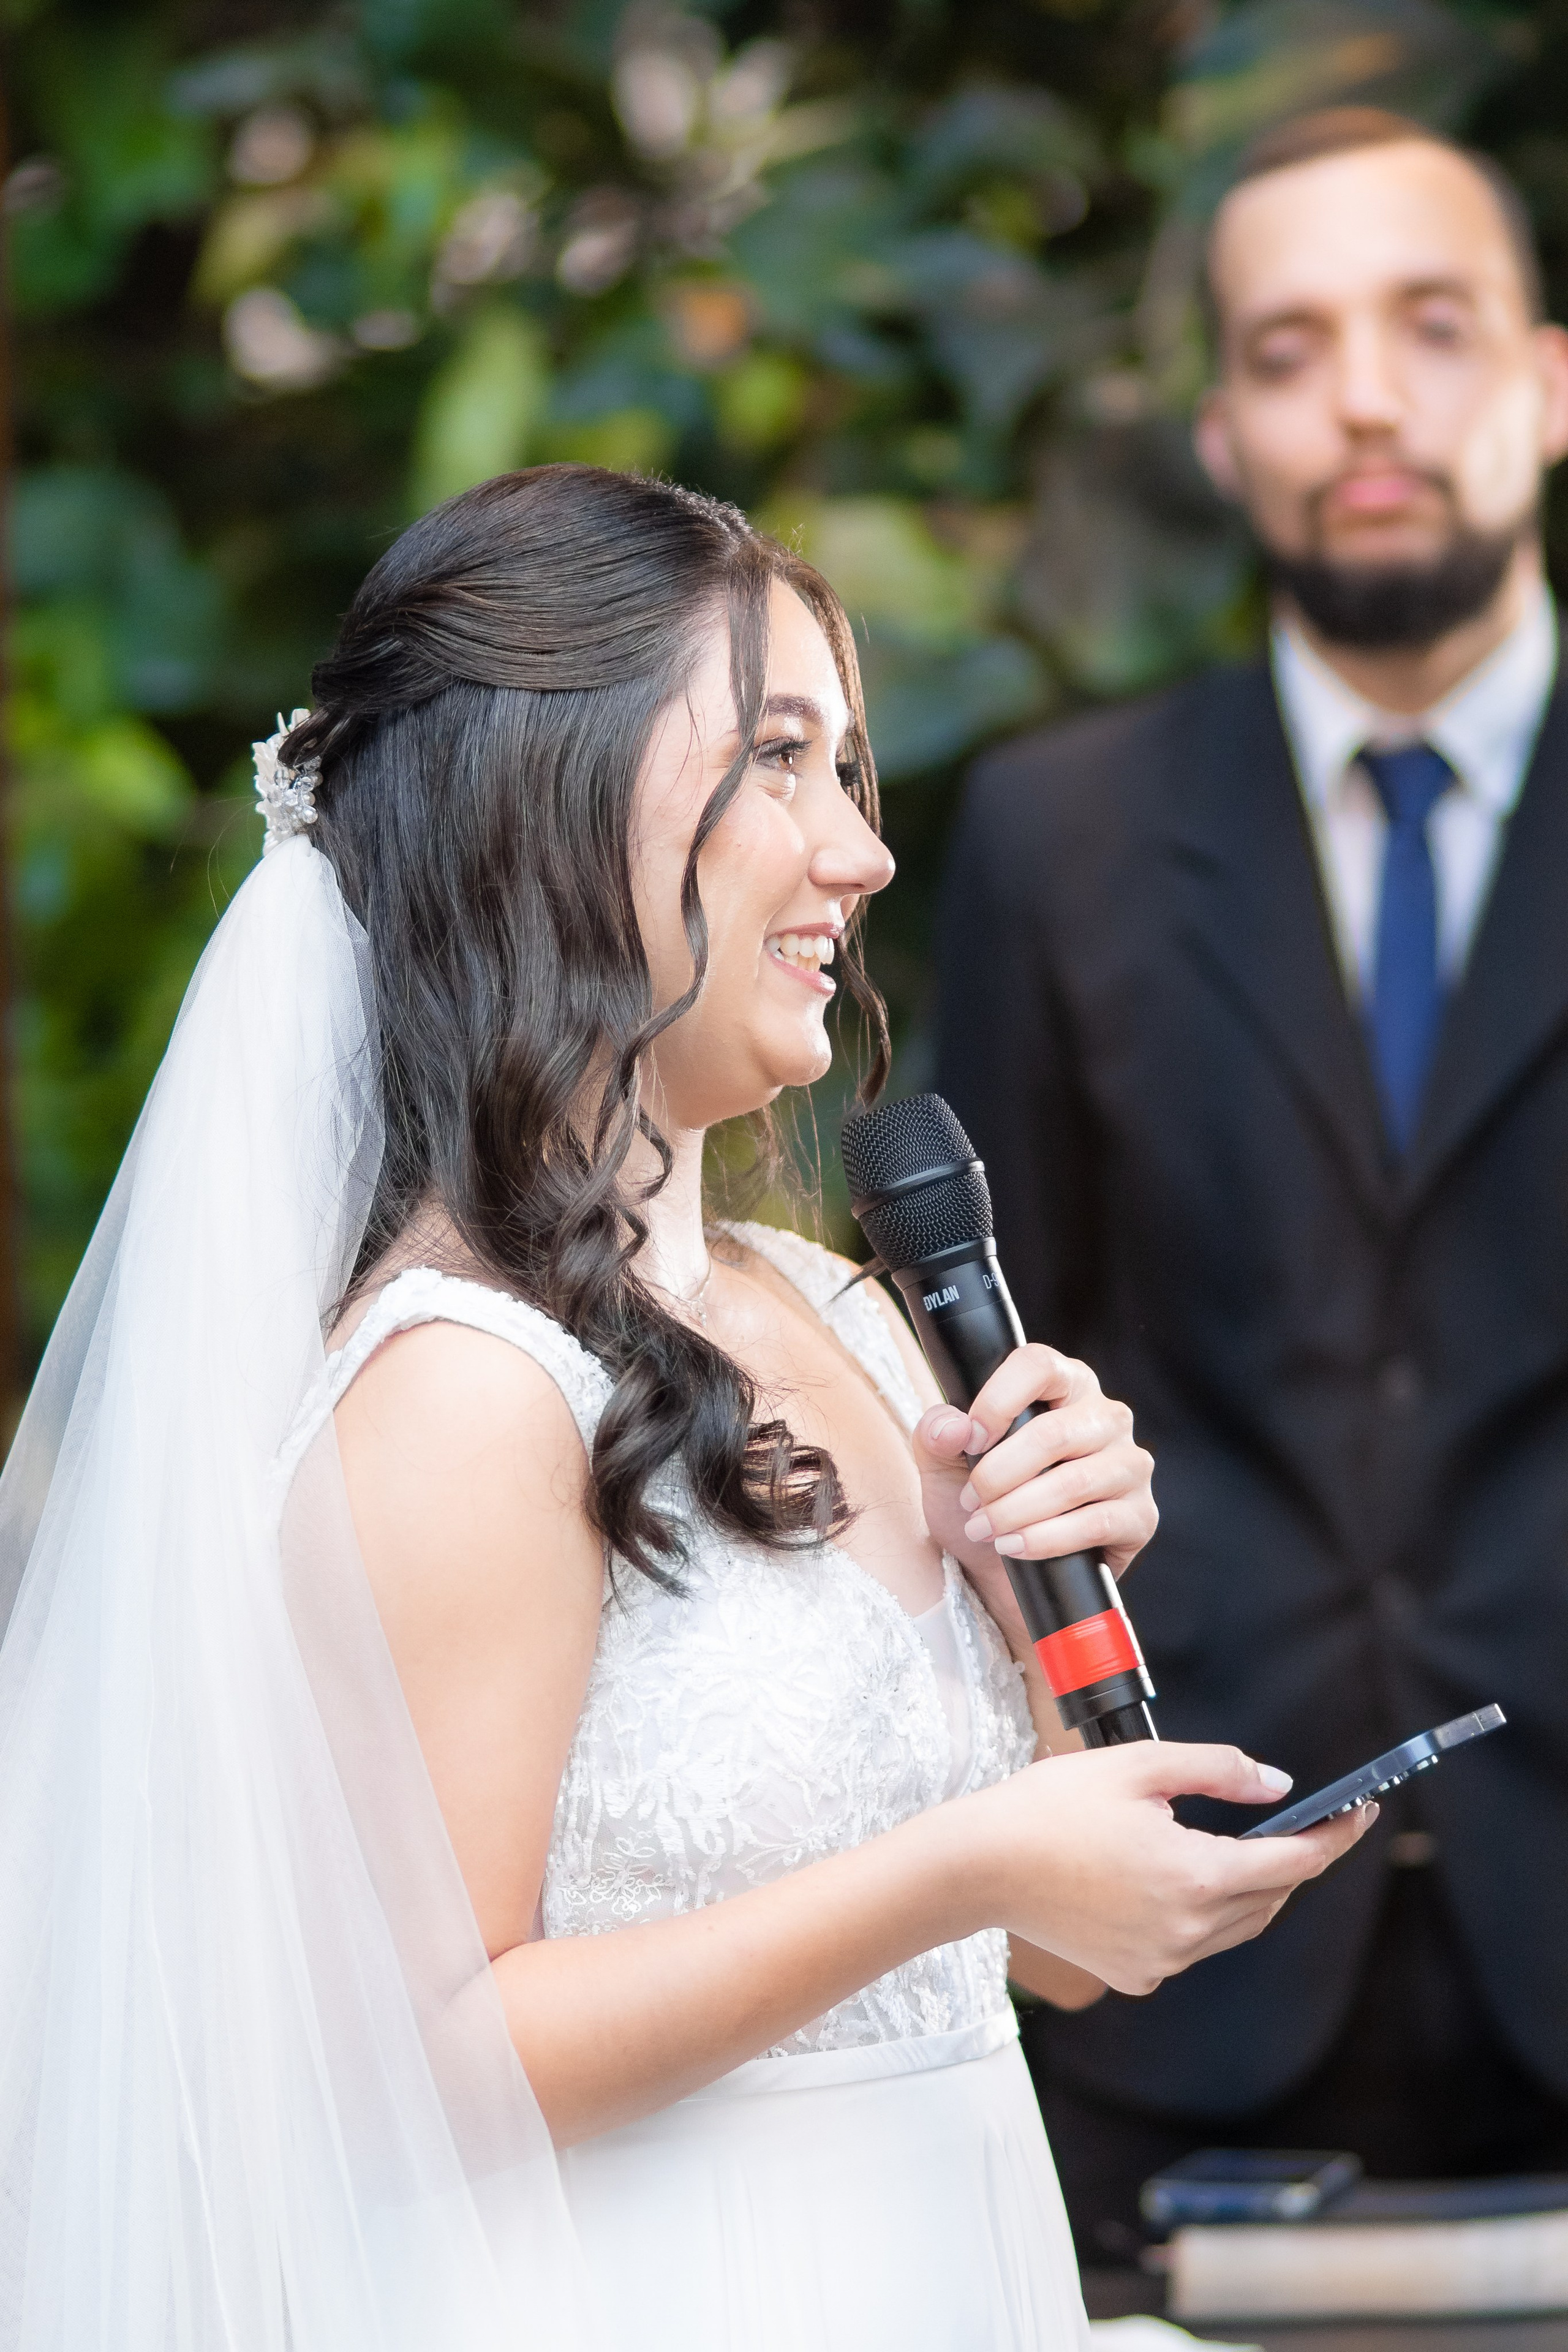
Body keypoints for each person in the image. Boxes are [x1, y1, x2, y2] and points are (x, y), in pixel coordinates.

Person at [0, 463, 1366, 2351]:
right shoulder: (465, 1395)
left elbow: (1027, 1962)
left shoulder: (844, 1318)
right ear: (549, 811)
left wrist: (1042, 1667)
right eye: (780, 763)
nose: (863, 854)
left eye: (852, 770)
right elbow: (420, 2076)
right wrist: (963, 1862)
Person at [935, 106, 1568, 2263]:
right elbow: (987, 1393)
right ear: (1219, 431)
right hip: (1187, 1953)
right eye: (1289, 350)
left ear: (1549, 381)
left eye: (1432, 328)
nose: (1366, 398)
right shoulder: (1059, 838)